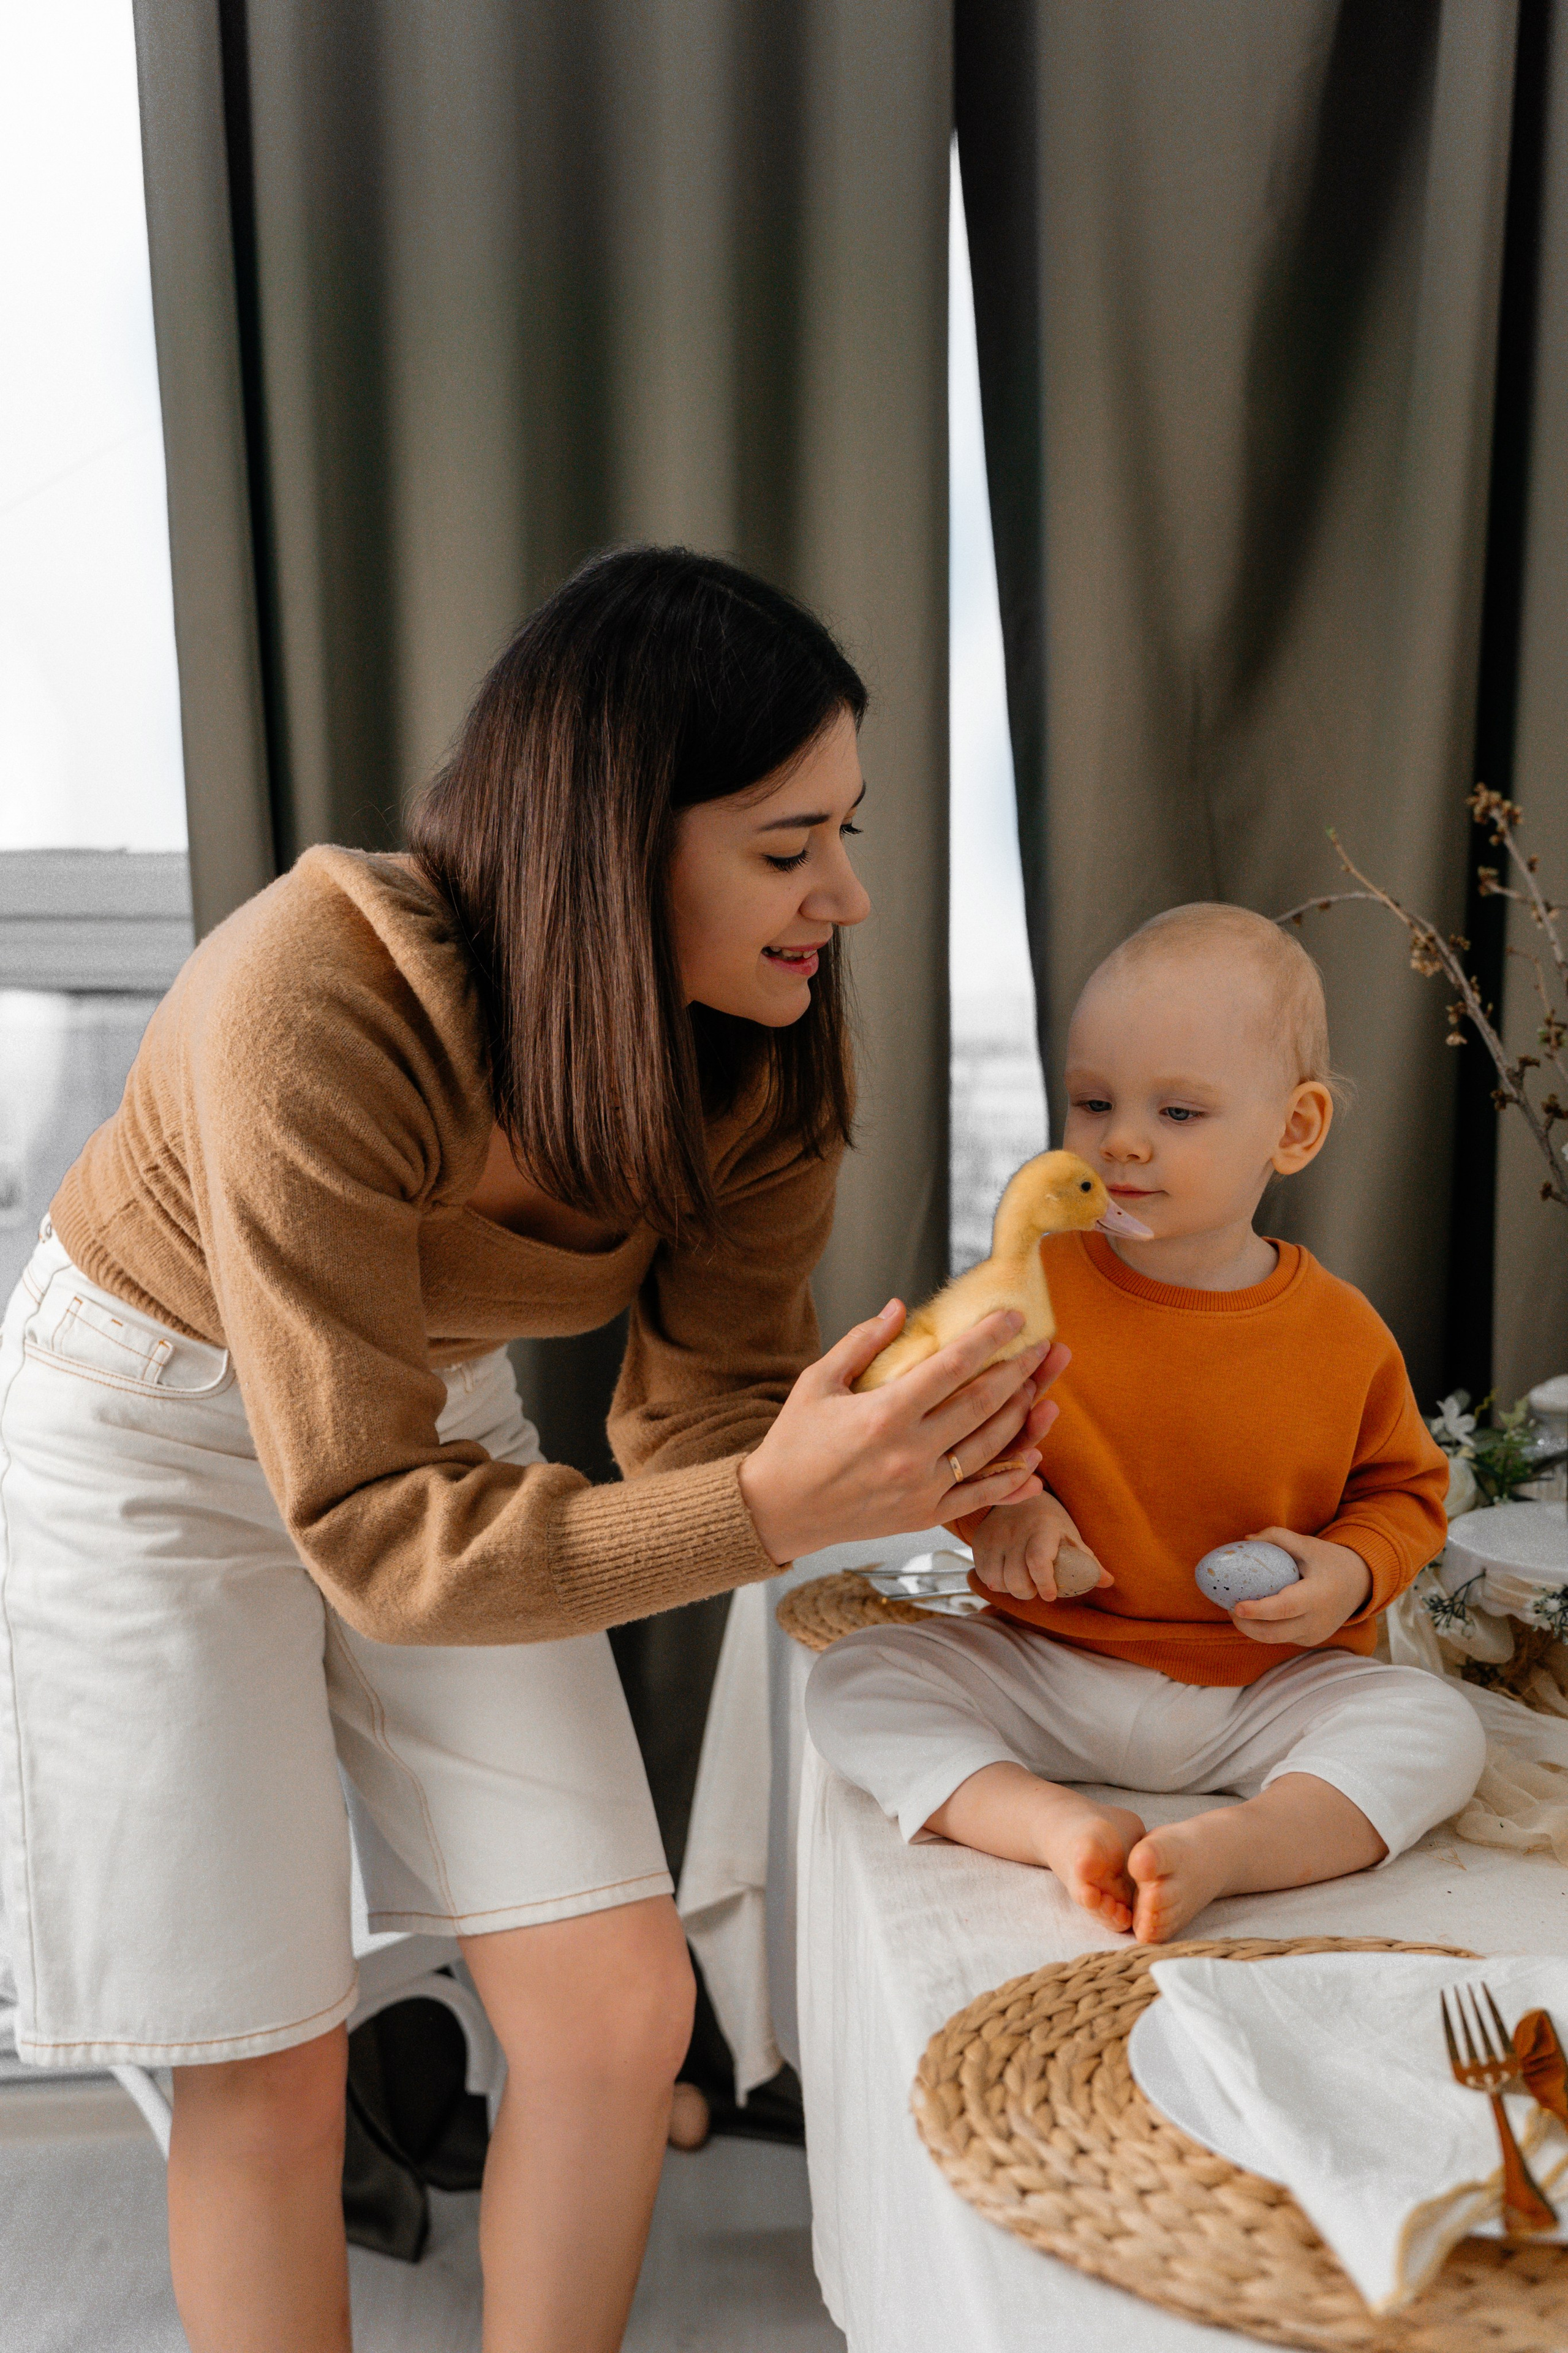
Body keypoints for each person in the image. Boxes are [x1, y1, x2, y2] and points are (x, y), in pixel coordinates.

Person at [0, 548, 1060, 2353]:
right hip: (151, 1431)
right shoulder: (306, 1001)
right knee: (264, 2064)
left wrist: (904, 1471)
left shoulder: (763, 1048)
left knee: (618, 2002)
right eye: (789, 847)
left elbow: (711, 1414)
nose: (850, 898)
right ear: (612, 842)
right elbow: (371, 1528)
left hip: (422, 1408)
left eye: (848, 833)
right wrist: (767, 1504)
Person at [806, 902, 1487, 1945]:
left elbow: (1405, 1495)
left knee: (1435, 1728)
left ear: (1294, 1129)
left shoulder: (1342, 1333)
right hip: (1050, 1664)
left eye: (1179, 1113)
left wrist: (1346, 1574)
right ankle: (1050, 1822)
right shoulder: (1031, 1289)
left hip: (1266, 1687)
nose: (1121, 1138)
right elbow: (946, 1437)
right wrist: (1005, 1517)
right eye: (1093, 1101)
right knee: (854, 1680)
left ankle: (1241, 1846)